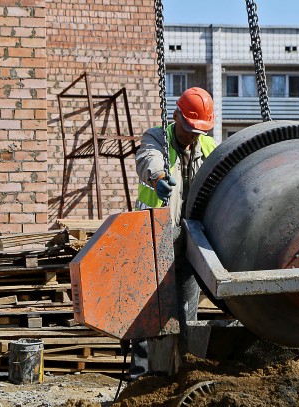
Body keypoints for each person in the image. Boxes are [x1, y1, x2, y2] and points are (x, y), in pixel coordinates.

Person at [130, 87, 217, 378]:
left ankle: (182, 375)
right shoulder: (156, 137)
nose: (193, 135)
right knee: (148, 314)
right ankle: (142, 378)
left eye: (198, 130)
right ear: (176, 116)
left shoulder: (207, 147)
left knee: (186, 313)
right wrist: (158, 178)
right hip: (155, 240)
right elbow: (147, 160)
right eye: (189, 127)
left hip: (191, 243)